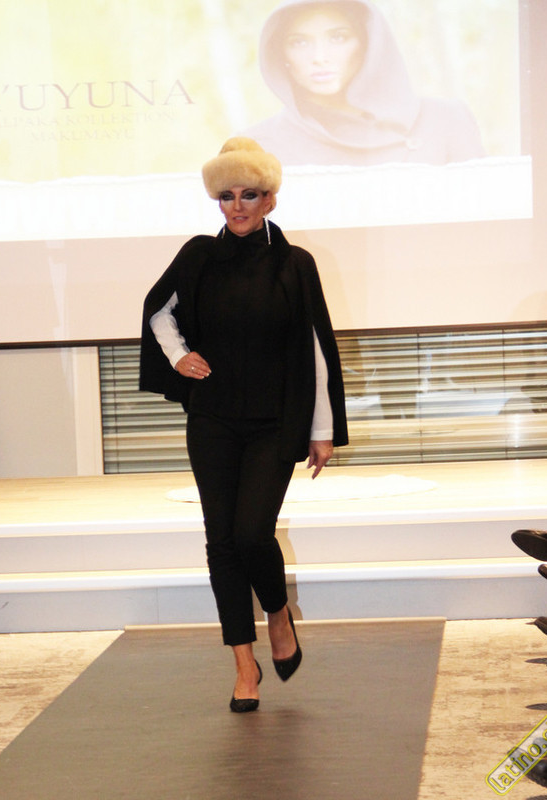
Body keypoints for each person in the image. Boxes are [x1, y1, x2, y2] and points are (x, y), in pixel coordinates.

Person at [140, 137, 348, 712]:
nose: (237, 206)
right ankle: (242, 663)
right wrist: (178, 355)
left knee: (252, 534)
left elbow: (316, 350)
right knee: (222, 541)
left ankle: (277, 614)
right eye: (226, 196)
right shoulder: (198, 255)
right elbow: (158, 310)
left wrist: (323, 429)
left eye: (249, 195)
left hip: (274, 423)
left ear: (270, 199)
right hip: (212, 418)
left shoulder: (294, 264)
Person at [242, 0, 485, 166]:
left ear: (369, 43)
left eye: (338, 37)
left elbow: (485, 216)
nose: (319, 57)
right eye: (299, 42)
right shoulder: (257, 146)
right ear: (279, 53)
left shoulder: (444, 120)